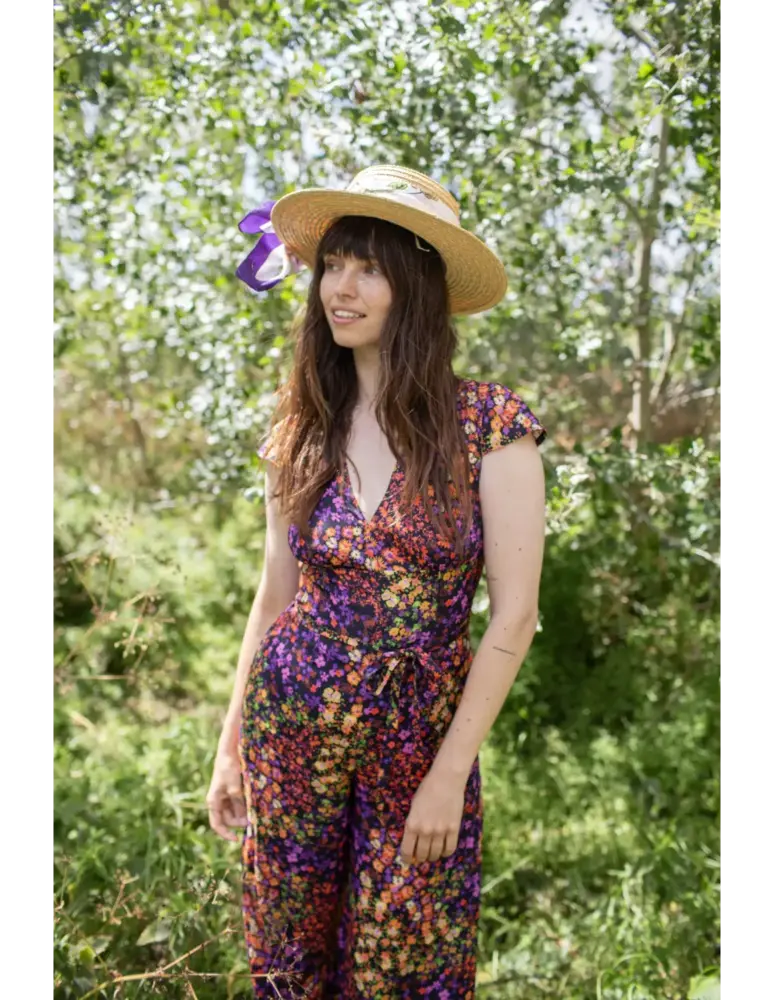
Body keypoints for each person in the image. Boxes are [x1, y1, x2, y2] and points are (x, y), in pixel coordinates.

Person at [206, 165, 547, 999]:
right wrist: (229, 742)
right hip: (290, 725)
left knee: (405, 955)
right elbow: (276, 590)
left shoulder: (490, 426)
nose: (340, 288)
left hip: (421, 736)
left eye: (369, 267)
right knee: (289, 948)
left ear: (416, 288)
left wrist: (448, 773)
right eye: (332, 265)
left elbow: (515, 617)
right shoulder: (302, 427)